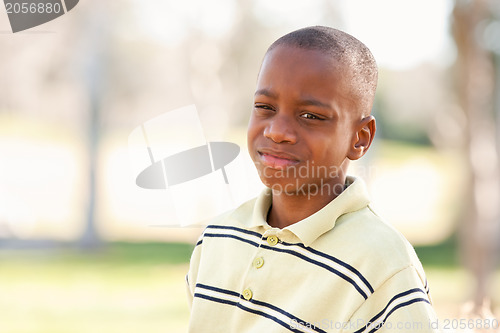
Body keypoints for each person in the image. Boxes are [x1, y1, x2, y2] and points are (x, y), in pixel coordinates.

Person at [186, 26, 440, 332]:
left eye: (310, 116)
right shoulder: (217, 237)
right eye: (265, 107)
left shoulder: (384, 265)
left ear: (359, 138)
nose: (277, 131)